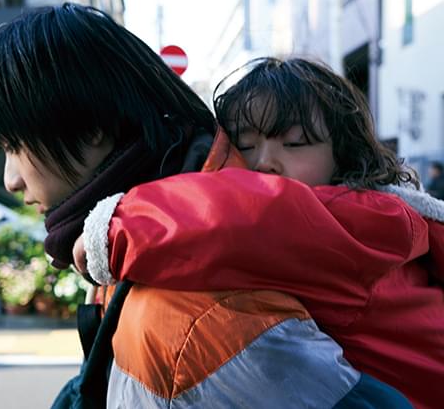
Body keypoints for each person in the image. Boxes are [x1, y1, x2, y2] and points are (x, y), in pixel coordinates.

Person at [0, 6, 412, 408]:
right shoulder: (138, 247)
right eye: (247, 143)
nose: (10, 179)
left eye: (15, 145)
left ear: (91, 127)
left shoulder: (191, 309)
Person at [76, 57, 444, 409]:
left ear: (344, 155)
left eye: (295, 143)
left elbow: (240, 219)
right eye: (245, 145)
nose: (264, 162)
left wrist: (116, 227)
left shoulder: (362, 222)